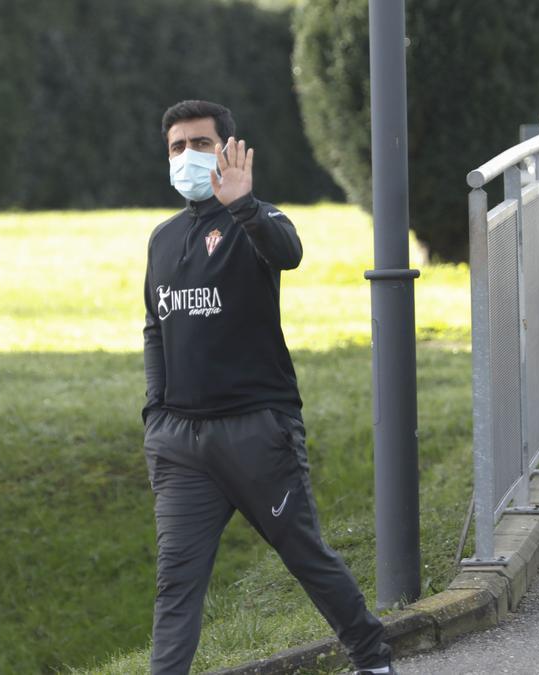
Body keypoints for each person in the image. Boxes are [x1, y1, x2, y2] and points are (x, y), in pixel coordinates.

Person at [141, 100, 395, 675]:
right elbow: (155, 329)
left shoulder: (258, 220)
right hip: (181, 446)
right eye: (177, 147)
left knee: (305, 556)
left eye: (200, 144)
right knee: (175, 585)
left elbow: (289, 254)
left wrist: (245, 207)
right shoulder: (162, 240)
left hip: (258, 432)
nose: (186, 155)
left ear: (229, 150)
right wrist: (154, 416)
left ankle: (373, 658)